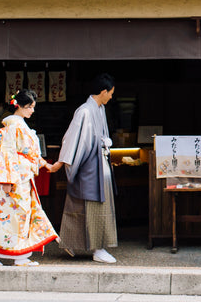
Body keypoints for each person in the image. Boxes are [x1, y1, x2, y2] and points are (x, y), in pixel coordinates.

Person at [0, 89, 58, 266]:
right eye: (29, 107)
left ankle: (10, 254)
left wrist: (45, 164)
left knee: (14, 214)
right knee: (14, 215)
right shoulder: (13, 126)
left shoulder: (18, 125)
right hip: (15, 178)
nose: (32, 110)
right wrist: (6, 180)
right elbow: (6, 154)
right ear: (19, 106)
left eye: (33, 107)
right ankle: (6, 254)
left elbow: (29, 153)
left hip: (21, 176)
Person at [48, 73, 118, 263]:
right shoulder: (85, 111)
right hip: (88, 167)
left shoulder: (99, 109)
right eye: (110, 93)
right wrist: (61, 162)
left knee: (89, 206)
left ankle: (84, 244)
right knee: (88, 206)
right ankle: (97, 249)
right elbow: (72, 139)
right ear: (103, 92)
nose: (111, 96)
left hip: (99, 163)